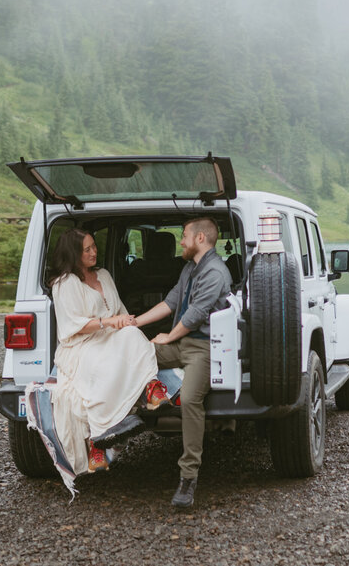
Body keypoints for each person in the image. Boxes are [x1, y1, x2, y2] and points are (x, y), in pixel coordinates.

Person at [45, 228, 170, 479]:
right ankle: (97, 440)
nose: (94, 252)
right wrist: (110, 322)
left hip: (109, 336)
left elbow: (120, 311)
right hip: (80, 345)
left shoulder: (104, 275)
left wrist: (126, 323)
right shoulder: (64, 284)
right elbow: (73, 326)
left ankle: (151, 387)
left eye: (94, 246)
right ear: (73, 253)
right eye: (87, 249)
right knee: (105, 369)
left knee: (134, 336)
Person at [132, 217, 232, 509]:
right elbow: (171, 302)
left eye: (184, 236)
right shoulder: (190, 268)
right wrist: (134, 323)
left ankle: (188, 477)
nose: (181, 241)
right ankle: (123, 420)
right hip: (181, 342)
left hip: (204, 347)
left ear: (200, 238)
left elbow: (195, 315)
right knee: (134, 356)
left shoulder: (216, 272)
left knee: (190, 399)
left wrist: (165, 337)